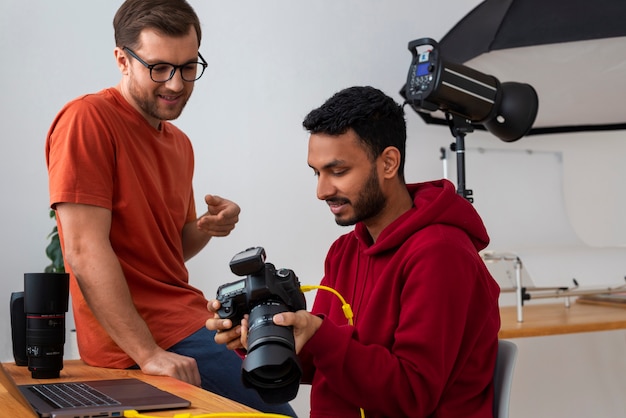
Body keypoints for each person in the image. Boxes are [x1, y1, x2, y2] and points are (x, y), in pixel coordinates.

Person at [45, 0, 295, 415]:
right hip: (146, 340)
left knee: (282, 377)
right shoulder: (86, 120)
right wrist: (148, 353)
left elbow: (168, 251)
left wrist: (209, 226)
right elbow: (83, 252)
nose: (176, 84)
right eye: (159, 67)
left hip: (190, 318)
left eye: (188, 67)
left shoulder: (179, 144)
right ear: (122, 60)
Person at [207, 86, 501, 417]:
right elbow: (326, 362)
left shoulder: (441, 254)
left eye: (338, 171)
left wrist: (319, 334)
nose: (321, 191)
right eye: (316, 172)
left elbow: (411, 395)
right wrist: (266, 339)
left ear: (388, 163)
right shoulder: (344, 251)